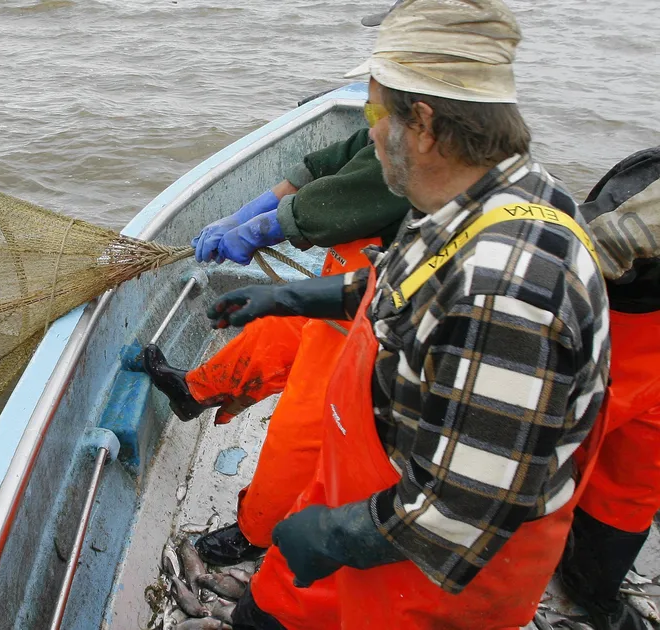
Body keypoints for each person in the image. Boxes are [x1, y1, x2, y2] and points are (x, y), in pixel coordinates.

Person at [208, 1, 611, 628]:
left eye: (375, 115)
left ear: (421, 124)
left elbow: (467, 508)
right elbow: (418, 288)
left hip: (428, 579)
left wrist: (334, 534)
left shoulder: (509, 293)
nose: (369, 135)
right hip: (382, 496)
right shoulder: (490, 196)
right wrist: (294, 297)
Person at [142, 117, 412, 563]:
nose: (374, 118)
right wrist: (245, 214)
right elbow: (328, 164)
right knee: (277, 327)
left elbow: (328, 204)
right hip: (350, 285)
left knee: (302, 425)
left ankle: (258, 533)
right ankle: (196, 391)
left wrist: (261, 228)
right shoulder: (384, 132)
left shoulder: (418, 155)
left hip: (380, 315)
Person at [558, 147, 660, 630]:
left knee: (632, 477)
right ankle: (584, 584)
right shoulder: (649, 185)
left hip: (636, 356)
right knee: (608, 466)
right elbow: (577, 252)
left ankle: (590, 584)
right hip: (628, 346)